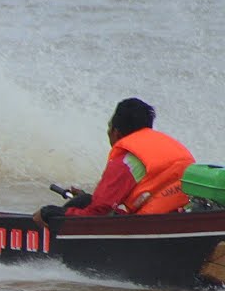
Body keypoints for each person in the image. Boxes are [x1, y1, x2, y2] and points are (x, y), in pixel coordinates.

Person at [34, 97, 195, 227]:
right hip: (182, 216)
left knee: (75, 205)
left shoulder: (126, 160)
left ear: (116, 132)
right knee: (85, 200)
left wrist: (49, 213)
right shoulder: (168, 146)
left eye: (109, 127)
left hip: (149, 228)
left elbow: (97, 213)